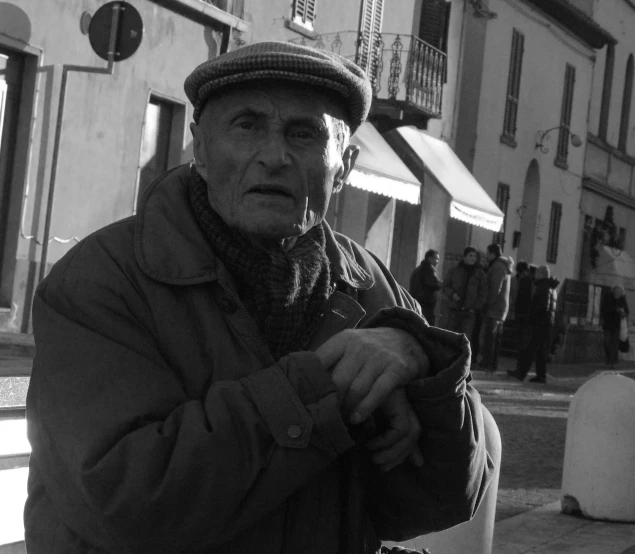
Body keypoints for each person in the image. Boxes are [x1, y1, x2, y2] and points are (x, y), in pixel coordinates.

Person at [23, 42, 493, 553]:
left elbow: (445, 497)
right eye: (246, 126)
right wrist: (331, 384)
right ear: (200, 150)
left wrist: (418, 361)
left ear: (346, 165)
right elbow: (127, 499)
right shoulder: (104, 278)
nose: (274, 156)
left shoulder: (370, 283)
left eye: (304, 133)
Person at [508, 265, 559, 383]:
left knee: (529, 349)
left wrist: (531, 317)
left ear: (540, 274)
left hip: (539, 323)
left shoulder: (542, 287)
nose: (534, 276)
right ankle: (541, 375)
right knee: (541, 351)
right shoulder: (552, 288)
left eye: (536, 273)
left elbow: (541, 306)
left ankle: (521, 373)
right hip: (548, 323)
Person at [441, 246, 487, 342]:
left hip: (469, 312)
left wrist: (475, 307)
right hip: (454, 309)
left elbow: (483, 292)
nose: (473, 258)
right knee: (450, 336)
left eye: (475, 256)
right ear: (464, 257)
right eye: (470, 255)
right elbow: (446, 286)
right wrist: (452, 294)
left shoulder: (480, 274)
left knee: (465, 339)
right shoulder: (455, 271)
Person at [478, 244, 513, 371]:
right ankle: (492, 363)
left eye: (487, 253)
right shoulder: (504, 266)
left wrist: (488, 304)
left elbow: (495, 288)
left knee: (490, 338)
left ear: (492, 253)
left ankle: (488, 363)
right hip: (501, 308)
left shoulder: (497, 267)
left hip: (495, 308)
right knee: (495, 338)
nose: (486, 256)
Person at [509, 261, 534, 373]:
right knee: (520, 342)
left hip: (524, 314)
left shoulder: (529, 282)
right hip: (520, 313)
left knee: (523, 342)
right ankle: (520, 367)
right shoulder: (516, 280)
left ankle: (520, 368)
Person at [409, 249, 442, 325]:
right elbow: (433, 284)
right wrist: (442, 284)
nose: (437, 261)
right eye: (436, 258)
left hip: (418, 302)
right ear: (429, 258)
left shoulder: (419, 269)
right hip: (425, 304)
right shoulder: (428, 270)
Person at [601, 284, 629, 368]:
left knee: (614, 344)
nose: (617, 293)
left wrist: (624, 313)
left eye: (619, 292)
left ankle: (612, 362)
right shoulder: (608, 298)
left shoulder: (622, 300)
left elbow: (627, 311)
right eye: (616, 291)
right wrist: (615, 310)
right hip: (608, 324)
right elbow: (604, 309)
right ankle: (608, 359)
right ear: (613, 291)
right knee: (606, 342)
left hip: (617, 325)